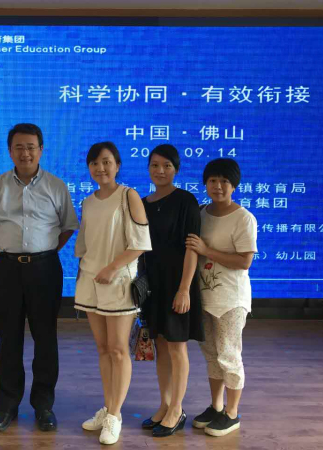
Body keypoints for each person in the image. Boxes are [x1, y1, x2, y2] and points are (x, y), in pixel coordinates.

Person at [0, 123, 79, 433]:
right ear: (10, 151)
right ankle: (7, 405)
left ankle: (43, 405)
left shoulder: (56, 185)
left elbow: (67, 226)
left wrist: (41, 251)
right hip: (8, 268)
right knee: (9, 338)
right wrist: (12, 249)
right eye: (19, 147)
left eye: (31, 147)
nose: (25, 153)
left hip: (45, 269)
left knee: (45, 337)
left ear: (41, 150)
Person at [75, 142, 151, 445]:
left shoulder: (128, 196)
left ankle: (115, 416)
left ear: (117, 165)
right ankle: (108, 408)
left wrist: (110, 268)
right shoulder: (87, 202)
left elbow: (140, 244)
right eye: (94, 163)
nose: (101, 168)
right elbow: (84, 247)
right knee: (104, 349)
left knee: (119, 350)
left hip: (118, 283)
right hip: (90, 282)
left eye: (106, 162)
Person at [185, 158, 257, 437]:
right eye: (213, 180)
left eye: (224, 181)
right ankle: (216, 407)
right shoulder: (200, 213)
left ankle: (232, 413)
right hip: (204, 297)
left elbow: (244, 261)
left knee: (229, 355)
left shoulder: (244, 218)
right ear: (205, 183)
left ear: (234, 185)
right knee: (212, 355)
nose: (218, 186)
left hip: (231, 300)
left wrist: (206, 250)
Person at [141, 144, 204, 438]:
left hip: (178, 284)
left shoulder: (186, 201)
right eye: (155, 165)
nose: (160, 171)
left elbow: (192, 248)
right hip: (153, 285)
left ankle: (177, 409)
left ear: (176, 169)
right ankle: (165, 405)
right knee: (161, 346)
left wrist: (184, 289)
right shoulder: (142, 203)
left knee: (177, 346)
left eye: (167, 165)